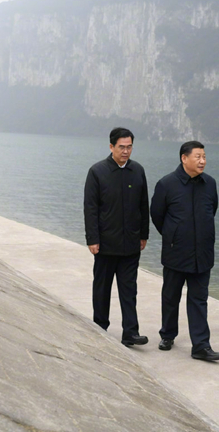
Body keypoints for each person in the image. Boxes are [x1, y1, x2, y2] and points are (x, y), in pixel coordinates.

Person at [150, 140, 219, 361]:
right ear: (184, 158)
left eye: (204, 157)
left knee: (199, 299)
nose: (203, 161)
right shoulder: (166, 184)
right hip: (176, 252)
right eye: (198, 156)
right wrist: (173, 235)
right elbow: (157, 215)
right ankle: (167, 335)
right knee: (171, 296)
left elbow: (212, 210)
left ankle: (201, 345)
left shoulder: (210, 184)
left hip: (202, 253)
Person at [83, 127, 149, 347]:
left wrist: (143, 234)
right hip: (105, 244)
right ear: (111, 147)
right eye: (121, 147)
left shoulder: (137, 170)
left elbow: (143, 205)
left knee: (129, 290)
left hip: (131, 244)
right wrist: (92, 238)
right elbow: (90, 208)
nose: (126, 151)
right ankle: (99, 327)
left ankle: (131, 332)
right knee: (102, 288)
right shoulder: (97, 171)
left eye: (129, 147)